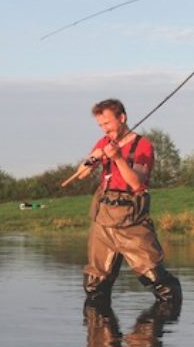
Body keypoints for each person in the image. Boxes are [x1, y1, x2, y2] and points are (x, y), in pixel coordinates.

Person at [69, 98, 181, 309]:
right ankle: (100, 337)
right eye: (101, 125)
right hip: (103, 214)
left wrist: (119, 158)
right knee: (94, 284)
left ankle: (159, 329)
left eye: (108, 124)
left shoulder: (143, 145)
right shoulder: (103, 143)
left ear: (122, 118)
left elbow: (137, 183)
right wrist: (92, 160)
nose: (105, 129)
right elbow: (81, 175)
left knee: (155, 278)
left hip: (131, 217)